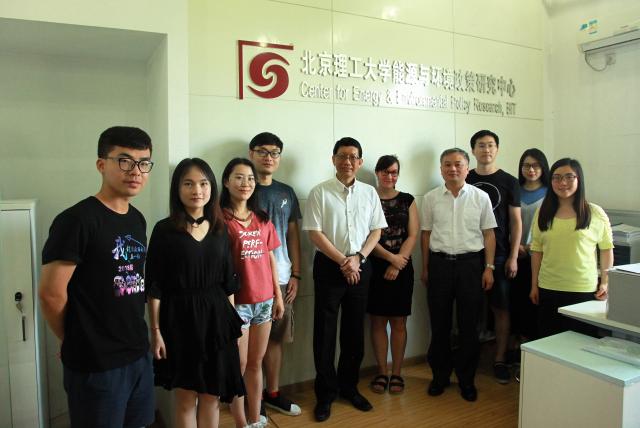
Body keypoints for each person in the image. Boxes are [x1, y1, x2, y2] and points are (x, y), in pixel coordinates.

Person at [38, 126, 156, 427]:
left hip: (137, 353)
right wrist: (73, 339)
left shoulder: (137, 219)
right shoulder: (76, 220)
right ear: (101, 164)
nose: (136, 171)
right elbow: (51, 294)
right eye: (125, 161)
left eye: (144, 163)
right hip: (96, 363)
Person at [146, 158, 246, 428]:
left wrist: (232, 329)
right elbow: (154, 287)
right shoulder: (164, 230)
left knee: (212, 396)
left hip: (216, 319)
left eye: (203, 183)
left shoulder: (220, 229)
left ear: (212, 187)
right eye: (188, 184)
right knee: (186, 399)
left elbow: (228, 283)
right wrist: (156, 331)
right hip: (179, 320)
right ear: (177, 189)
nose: (197, 190)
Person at [303, 137, 387, 422]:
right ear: (333, 159)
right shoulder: (319, 192)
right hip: (330, 267)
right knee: (325, 333)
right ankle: (325, 394)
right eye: (342, 156)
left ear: (360, 162)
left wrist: (358, 258)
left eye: (353, 157)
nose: (347, 161)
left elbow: (376, 230)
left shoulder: (369, 192)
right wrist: (343, 261)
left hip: (360, 266)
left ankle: (349, 387)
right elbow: (314, 233)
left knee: (354, 331)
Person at [421, 148, 496, 402]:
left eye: (458, 164)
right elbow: (426, 234)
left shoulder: (481, 197)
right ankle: (440, 376)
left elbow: (489, 234)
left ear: (467, 168)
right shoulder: (430, 198)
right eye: (447, 164)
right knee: (439, 324)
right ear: (441, 169)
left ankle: (466, 380)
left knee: (469, 326)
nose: (452, 169)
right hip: (439, 265)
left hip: (471, 266)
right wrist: (426, 267)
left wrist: (489, 267)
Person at [221, 158, 284, 428]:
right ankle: (240, 423)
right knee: (239, 365)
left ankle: (256, 419)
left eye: (250, 178)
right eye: (239, 177)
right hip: (238, 303)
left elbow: (270, 258)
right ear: (226, 182)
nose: (245, 183)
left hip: (265, 301)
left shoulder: (262, 218)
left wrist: (278, 295)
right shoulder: (219, 219)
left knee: (256, 364)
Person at [248, 132, 303, 417]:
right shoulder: (242, 187)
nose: (268, 157)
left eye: (274, 152)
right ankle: (252, 397)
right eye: (262, 151)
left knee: (275, 339)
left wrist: (296, 273)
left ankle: (272, 393)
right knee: (250, 342)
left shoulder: (287, 192)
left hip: (282, 277)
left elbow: (293, 234)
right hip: (250, 279)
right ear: (251, 154)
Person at [529, 158, 613, 338]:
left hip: (583, 289)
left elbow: (606, 249)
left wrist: (605, 282)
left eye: (569, 177)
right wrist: (534, 285)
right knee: (548, 342)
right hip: (549, 287)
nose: (563, 182)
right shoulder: (543, 211)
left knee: (580, 343)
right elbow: (537, 251)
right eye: (557, 177)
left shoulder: (594, 212)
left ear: (578, 179)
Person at [467, 130, 522, 384]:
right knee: (470, 308)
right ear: (473, 150)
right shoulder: (465, 177)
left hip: (500, 254)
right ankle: (469, 358)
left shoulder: (509, 181)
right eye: (481, 145)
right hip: (470, 253)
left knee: (501, 307)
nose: (486, 150)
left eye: (490, 145)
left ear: (497, 149)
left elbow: (516, 221)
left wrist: (513, 255)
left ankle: (500, 358)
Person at [367, 155, 419, 395]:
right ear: (377, 173)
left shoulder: (408, 199)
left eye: (394, 172)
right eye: (385, 171)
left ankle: (397, 372)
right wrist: (390, 259)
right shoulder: (368, 198)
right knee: (377, 321)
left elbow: (413, 234)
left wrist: (398, 263)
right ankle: (381, 371)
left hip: (403, 266)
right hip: (374, 266)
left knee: (399, 322)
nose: (390, 176)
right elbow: (365, 236)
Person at [511, 149, 550, 346]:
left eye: (536, 165)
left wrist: (531, 246)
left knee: (535, 302)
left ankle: (534, 346)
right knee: (517, 302)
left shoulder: (552, 192)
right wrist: (515, 246)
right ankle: (518, 345)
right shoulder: (514, 190)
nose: (531, 169)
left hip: (541, 256)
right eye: (526, 165)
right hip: (515, 255)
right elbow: (506, 222)